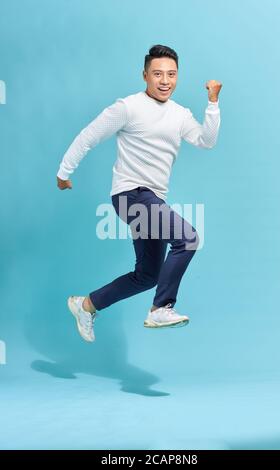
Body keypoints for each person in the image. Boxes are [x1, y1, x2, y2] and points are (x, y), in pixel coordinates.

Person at [56, 44, 222, 342]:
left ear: (178, 77)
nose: (164, 80)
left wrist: (212, 103)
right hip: (130, 194)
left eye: (171, 74)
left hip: (152, 199)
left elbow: (206, 140)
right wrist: (64, 172)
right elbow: (89, 136)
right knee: (187, 239)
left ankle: (86, 305)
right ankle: (162, 307)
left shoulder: (179, 114)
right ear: (145, 75)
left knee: (148, 275)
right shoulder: (128, 107)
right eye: (157, 74)